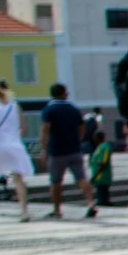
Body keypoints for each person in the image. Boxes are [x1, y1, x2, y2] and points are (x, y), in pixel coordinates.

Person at [39, 84, 97, 219]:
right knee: (82, 178)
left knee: (56, 182)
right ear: (64, 93)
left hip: (56, 151)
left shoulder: (48, 110)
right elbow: (82, 127)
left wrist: (43, 149)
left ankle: (57, 210)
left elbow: (45, 130)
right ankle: (90, 203)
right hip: (74, 149)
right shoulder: (73, 109)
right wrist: (78, 139)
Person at [0, 79, 32, 220]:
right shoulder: (15, 106)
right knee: (19, 179)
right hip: (15, 145)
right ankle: (24, 212)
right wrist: (14, 137)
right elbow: (25, 129)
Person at [86, 117, 114, 206]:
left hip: (102, 176)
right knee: (101, 195)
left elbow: (103, 163)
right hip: (99, 177)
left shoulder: (105, 147)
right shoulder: (98, 148)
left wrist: (95, 176)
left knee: (103, 197)